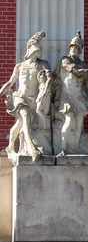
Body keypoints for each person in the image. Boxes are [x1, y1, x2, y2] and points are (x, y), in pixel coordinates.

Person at [0, 31, 52, 162]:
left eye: (39, 51)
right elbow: (10, 82)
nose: (37, 53)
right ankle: (31, 147)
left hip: (34, 99)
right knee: (25, 117)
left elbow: (49, 77)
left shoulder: (43, 63)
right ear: (29, 50)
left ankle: (10, 146)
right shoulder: (20, 66)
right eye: (35, 50)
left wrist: (47, 79)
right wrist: (1, 92)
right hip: (20, 97)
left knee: (20, 124)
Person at [52, 31, 88, 156]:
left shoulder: (83, 64)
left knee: (78, 124)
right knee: (69, 121)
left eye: (77, 48)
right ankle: (62, 149)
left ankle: (73, 150)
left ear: (80, 51)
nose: (74, 49)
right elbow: (75, 71)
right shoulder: (65, 60)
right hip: (66, 96)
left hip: (79, 97)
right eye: (73, 47)